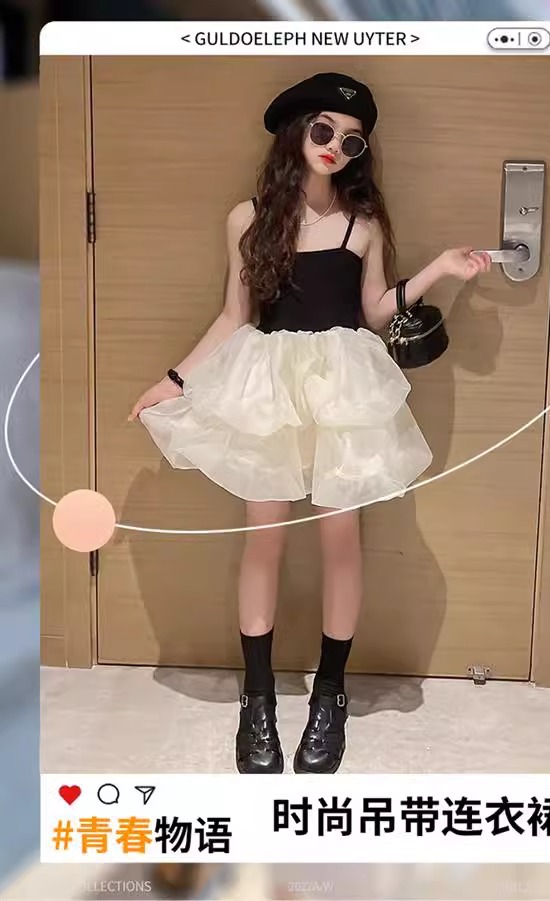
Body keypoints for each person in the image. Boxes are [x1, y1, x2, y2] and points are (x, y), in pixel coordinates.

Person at [128, 73, 491, 775]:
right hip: (267, 386)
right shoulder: (248, 218)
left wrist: (441, 270)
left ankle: (331, 693)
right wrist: (172, 382)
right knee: (262, 539)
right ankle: (257, 696)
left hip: (342, 388)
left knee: (341, 541)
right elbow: (234, 317)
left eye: (351, 140)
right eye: (323, 129)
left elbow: (376, 311)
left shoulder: (363, 223)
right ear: (297, 130)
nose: (334, 146)